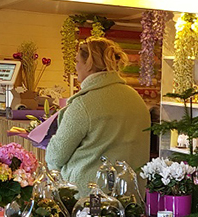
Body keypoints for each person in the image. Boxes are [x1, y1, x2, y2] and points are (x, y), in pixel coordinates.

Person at [45, 38, 151, 192]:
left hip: (88, 197)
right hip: (131, 192)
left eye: (77, 61)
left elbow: (56, 156)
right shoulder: (136, 100)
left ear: (88, 64)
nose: (75, 67)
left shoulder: (83, 104)